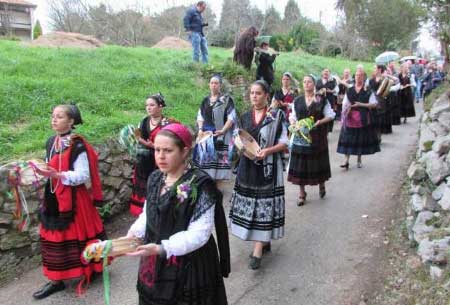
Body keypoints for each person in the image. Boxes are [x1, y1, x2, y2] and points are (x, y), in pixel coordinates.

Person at [125, 123, 230, 305]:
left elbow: (200, 233)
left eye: (168, 150)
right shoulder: (155, 178)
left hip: (190, 265)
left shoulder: (201, 185)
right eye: (157, 150)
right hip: (156, 260)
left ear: (184, 152)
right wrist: (134, 233)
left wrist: (162, 248)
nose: (160, 156)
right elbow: (148, 214)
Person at [32, 104, 107, 299]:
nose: (54, 120)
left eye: (59, 117)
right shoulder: (51, 142)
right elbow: (49, 167)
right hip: (53, 196)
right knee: (54, 236)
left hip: (74, 199)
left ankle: (92, 268)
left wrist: (56, 174)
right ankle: (56, 280)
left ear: (71, 121)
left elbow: (82, 175)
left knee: (78, 233)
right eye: (53, 116)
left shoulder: (78, 145)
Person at [229, 80, 288, 270]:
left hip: (267, 169)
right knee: (252, 207)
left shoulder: (276, 116)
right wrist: (237, 144)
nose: (254, 96)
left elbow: (285, 142)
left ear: (266, 95)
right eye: (252, 93)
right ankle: (263, 240)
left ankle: (257, 249)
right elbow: (238, 137)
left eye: (258, 93)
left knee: (264, 207)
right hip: (248, 167)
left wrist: (268, 151)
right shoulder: (245, 116)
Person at [288, 75, 335, 206]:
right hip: (300, 137)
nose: (306, 84)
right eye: (304, 82)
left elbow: (330, 115)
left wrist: (319, 122)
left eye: (309, 82)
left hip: (317, 136)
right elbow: (293, 116)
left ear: (314, 84)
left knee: (318, 161)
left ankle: (321, 184)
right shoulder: (297, 100)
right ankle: (302, 193)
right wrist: (293, 122)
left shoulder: (321, 99)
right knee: (300, 164)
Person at [130, 94, 177, 216]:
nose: (148, 108)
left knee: (158, 184)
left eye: (152, 105)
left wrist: (154, 146)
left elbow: (172, 142)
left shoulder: (167, 123)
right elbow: (137, 135)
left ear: (160, 107)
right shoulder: (143, 121)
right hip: (143, 162)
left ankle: (157, 211)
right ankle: (142, 214)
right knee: (143, 186)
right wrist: (136, 140)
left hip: (159, 161)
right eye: (147, 105)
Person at [195, 75, 237, 185]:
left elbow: (231, 117)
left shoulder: (226, 100)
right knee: (205, 164)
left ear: (220, 85)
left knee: (218, 165)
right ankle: (207, 186)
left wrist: (223, 130)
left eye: (216, 83)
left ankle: (217, 189)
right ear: (209, 85)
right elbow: (200, 116)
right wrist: (200, 129)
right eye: (212, 83)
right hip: (206, 136)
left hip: (220, 136)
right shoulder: (205, 100)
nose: (213, 85)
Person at [337, 68, 380, 169]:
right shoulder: (350, 90)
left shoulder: (368, 90)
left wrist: (361, 104)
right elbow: (345, 103)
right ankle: (346, 161)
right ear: (354, 77)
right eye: (356, 75)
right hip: (350, 118)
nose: (358, 77)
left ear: (364, 77)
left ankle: (359, 159)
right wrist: (344, 113)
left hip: (362, 118)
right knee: (347, 139)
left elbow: (374, 104)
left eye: (360, 75)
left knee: (359, 140)